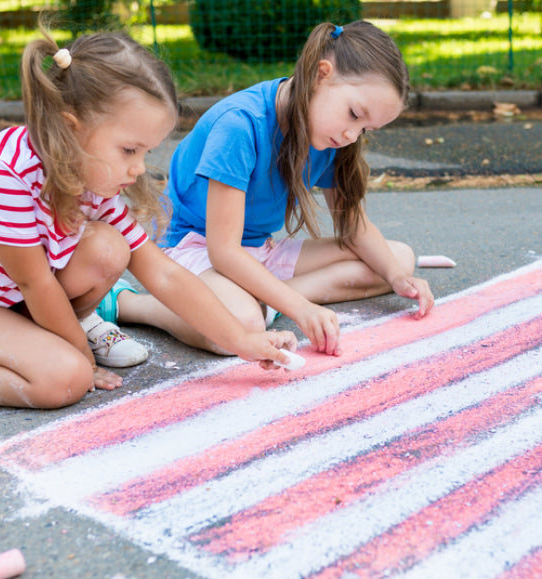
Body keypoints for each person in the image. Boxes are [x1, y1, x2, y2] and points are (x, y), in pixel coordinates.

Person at [0, 29, 297, 409]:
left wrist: (243, 339)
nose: (139, 168)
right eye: (129, 150)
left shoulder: (87, 179)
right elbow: (36, 283)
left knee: (107, 247)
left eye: (146, 153)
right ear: (71, 128)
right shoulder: (0, 177)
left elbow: (163, 274)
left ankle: (62, 332)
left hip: (11, 297)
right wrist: (79, 356)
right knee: (64, 380)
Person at [97, 20, 434, 357]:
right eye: (354, 115)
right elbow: (223, 251)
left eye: (365, 129)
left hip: (258, 251)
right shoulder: (240, 125)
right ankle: (132, 305)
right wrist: (302, 309)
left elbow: (354, 227)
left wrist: (395, 277)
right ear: (322, 74)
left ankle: (266, 296)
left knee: (398, 260)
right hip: (193, 249)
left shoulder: (332, 138)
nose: (352, 135)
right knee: (243, 323)